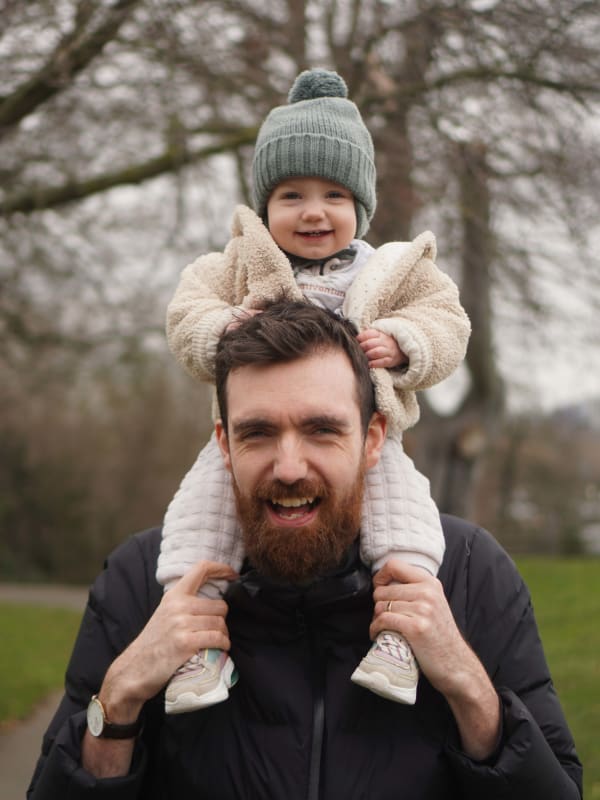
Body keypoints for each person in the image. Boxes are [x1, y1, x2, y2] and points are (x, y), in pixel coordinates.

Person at [28, 302, 582, 799]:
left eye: (321, 430)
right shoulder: (141, 580)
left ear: (371, 439)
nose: (289, 467)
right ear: (224, 444)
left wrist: (469, 688)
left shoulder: (469, 572)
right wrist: (119, 701)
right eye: (258, 433)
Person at [157, 67, 471, 712]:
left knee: (407, 523)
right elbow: (186, 318)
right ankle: (196, 645)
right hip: (251, 441)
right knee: (198, 523)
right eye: (291, 195)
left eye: (333, 194)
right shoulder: (232, 266)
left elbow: (449, 322)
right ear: (264, 205)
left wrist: (404, 339)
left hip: (361, 441)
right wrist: (225, 328)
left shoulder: (394, 269)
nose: (312, 212)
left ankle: (400, 640)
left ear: (361, 205)